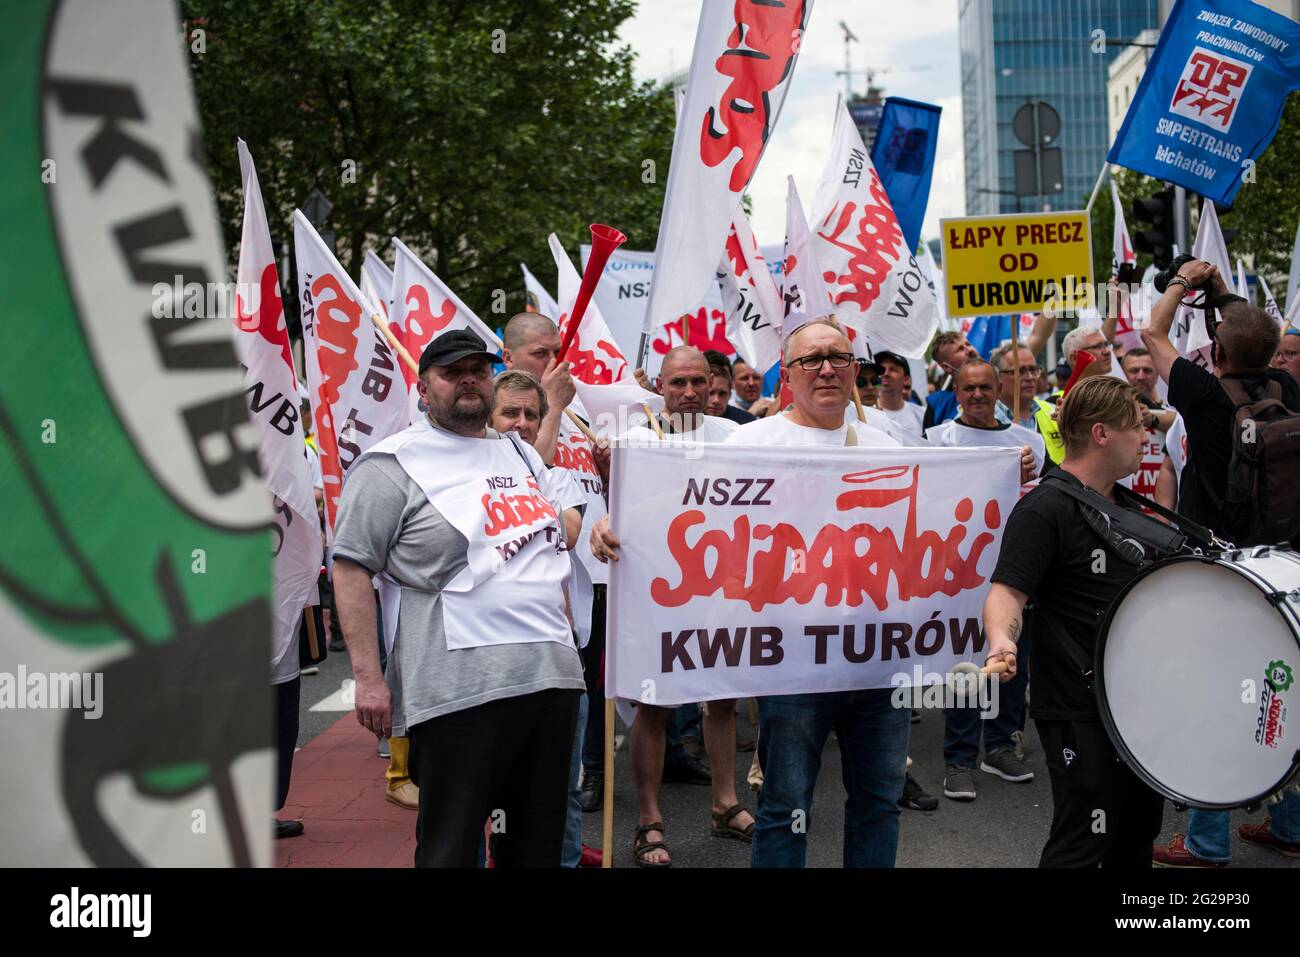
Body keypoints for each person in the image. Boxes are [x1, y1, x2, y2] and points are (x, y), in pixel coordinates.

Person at [332, 329, 585, 867]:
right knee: (451, 848)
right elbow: (351, 566)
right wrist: (368, 678)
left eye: (480, 368)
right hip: (460, 693)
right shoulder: (390, 464)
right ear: (424, 388)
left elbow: (546, 543)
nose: (469, 379)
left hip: (549, 678)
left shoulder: (518, 452)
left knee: (536, 850)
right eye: (452, 371)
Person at [700, 320, 914, 866]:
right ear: (787, 375)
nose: (825, 368)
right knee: (785, 804)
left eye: (838, 357)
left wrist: (1010, 473)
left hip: (875, 658)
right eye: (811, 359)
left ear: (854, 370)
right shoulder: (749, 442)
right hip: (792, 661)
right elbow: (692, 518)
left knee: (879, 801)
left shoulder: (884, 444)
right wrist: (617, 522)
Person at [983, 375, 1167, 867]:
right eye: (1136, 427)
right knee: (1084, 838)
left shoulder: (1125, 506)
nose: (1145, 438)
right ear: (1103, 433)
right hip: (1077, 704)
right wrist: (1001, 640)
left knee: (1136, 833)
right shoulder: (1045, 507)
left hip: (1135, 701)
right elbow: (1007, 590)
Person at [597, 347, 750, 867]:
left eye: (696, 382)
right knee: (655, 702)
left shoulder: (735, 435)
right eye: (676, 383)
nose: (687, 392)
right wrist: (601, 517)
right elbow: (608, 510)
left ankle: (726, 804)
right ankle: (648, 819)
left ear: (712, 384)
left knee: (724, 696)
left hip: (722, 591)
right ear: (658, 387)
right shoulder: (632, 442)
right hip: (657, 592)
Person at [499, 313, 614, 816]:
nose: (554, 362)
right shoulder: (519, 415)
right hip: (544, 590)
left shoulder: (574, 414)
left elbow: (595, 489)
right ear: (508, 359)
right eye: (540, 353)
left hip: (596, 572)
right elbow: (527, 474)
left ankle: (593, 776)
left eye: (557, 351)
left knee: (594, 686)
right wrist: (550, 410)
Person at [489, 370, 601, 868]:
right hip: (488, 661)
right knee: (487, 790)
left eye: (532, 414)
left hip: (558, 660)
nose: (522, 423)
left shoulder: (559, 478)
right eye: (509, 413)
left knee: (561, 789)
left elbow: (569, 531)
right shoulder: (464, 478)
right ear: (488, 419)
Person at [1139, 259, 1299, 534]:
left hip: (1216, 550)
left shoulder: (1204, 395)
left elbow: (1152, 333)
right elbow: (1252, 333)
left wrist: (1182, 281)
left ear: (1217, 353)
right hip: (1280, 546)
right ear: (1272, 352)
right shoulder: (1285, 386)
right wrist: (1221, 289)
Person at [924, 361, 1043, 485]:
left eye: (985, 387)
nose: (978, 394)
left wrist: (1024, 482)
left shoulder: (1029, 443)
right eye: (969, 388)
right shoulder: (934, 442)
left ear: (999, 390)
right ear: (957, 393)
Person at [1118, 347, 1177, 501]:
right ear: (1122, 374)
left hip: (1165, 512)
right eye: (1134, 370)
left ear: (1157, 374)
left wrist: (1153, 419)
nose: (1141, 376)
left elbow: (1183, 423)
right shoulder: (1111, 416)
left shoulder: (1173, 416)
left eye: (1148, 370)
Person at [873, 350, 924, 440]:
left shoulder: (921, 415)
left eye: (893, 369)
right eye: (881, 369)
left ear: (906, 380)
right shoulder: (866, 414)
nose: (885, 373)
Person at [703, 349, 756, 424]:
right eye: (710, 393)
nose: (716, 400)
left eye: (722, 393)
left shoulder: (747, 423)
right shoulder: (686, 420)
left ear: (730, 390)